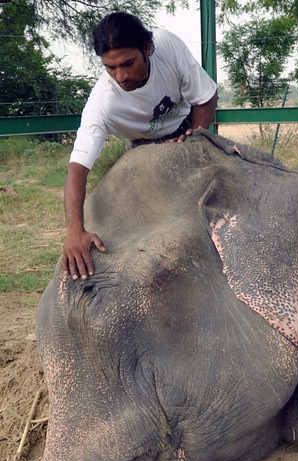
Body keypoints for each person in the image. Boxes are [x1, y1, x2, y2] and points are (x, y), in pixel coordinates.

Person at [64, 11, 218, 280]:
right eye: (110, 68)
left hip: (187, 131)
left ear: (147, 49)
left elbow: (205, 97)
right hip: (140, 149)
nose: (120, 76)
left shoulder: (167, 46)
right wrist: (74, 231)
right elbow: (77, 170)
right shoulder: (102, 102)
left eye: (127, 63)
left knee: (209, 210)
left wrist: (196, 138)